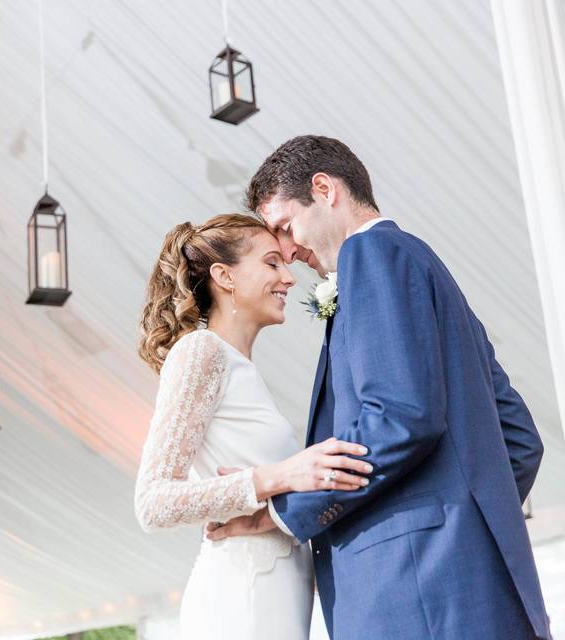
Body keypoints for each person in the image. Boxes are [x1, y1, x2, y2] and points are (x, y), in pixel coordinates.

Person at [207, 135, 550, 639]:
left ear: (324, 190)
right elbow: (519, 439)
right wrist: (462, 533)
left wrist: (284, 512)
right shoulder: (423, 266)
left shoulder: (372, 254)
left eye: (284, 226)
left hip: (414, 596)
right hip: (469, 595)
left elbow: (401, 416)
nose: (287, 250)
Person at [135, 213, 373, 639]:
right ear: (224, 276)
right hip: (241, 597)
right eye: (272, 264)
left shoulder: (241, 369)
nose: (290, 278)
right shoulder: (200, 353)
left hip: (277, 593)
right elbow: (153, 502)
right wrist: (279, 475)